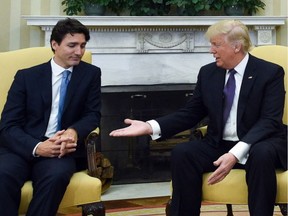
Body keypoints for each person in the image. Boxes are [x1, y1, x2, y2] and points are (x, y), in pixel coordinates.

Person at [110, 19, 287, 216]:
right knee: (183, 153)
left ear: (237, 46)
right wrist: (150, 126)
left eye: (216, 44)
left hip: (259, 142)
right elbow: (191, 112)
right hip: (219, 143)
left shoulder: (270, 73)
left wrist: (235, 154)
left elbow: (269, 121)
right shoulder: (208, 73)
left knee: (261, 155)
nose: (211, 50)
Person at [0, 18, 101, 216]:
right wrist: (38, 147)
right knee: (2, 175)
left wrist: (73, 131)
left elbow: (92, 114)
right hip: (21, 148)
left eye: (82, 46)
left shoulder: (90, 74)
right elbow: (8, 125)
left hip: (60, 150)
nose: (79, 52)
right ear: (54, 44)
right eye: (72, 45)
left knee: (56, 177)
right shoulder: (26, 77)